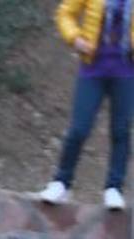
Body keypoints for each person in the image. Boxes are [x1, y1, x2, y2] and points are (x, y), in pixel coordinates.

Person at [39, 0, 134, 211]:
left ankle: (114, 187)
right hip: (93, 69)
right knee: (79, 129)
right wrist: (75, 38)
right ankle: (61, 183)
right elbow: (65, 13)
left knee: (121, 130)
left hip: (127, 72)